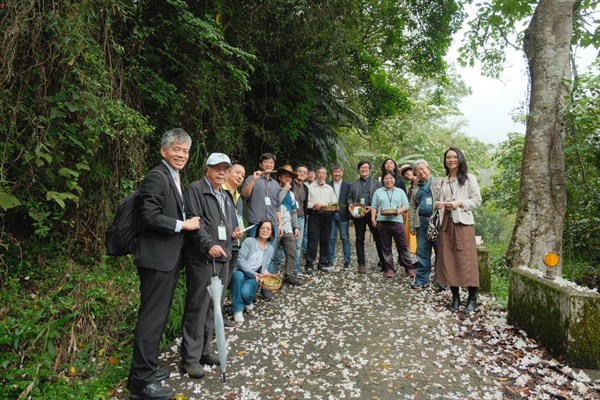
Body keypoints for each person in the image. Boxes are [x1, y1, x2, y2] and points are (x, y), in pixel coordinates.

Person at [127, 128, 201, 400]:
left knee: (156, 319)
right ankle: (141, 384)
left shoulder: (174, 176)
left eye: (185, 151)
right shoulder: (157, 177)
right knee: (151, 319)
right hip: (156, 259)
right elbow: (149, 216)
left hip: (166, 259)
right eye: (177, 150)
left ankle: (146, 370)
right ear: (164, 151)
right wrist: (184, 225)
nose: (181, 155)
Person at [182, 153, 243, 379]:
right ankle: (190, 358)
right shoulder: (196, 189)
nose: (221, 172)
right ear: (207, 168)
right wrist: (208, 245)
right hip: (202, 258)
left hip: (222, 257)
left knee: (213, 307)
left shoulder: (224, 196)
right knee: (197, 307)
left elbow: (222, 225)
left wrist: (231, 233)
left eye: (225, 169)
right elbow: (195, 223)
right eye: (217, 168)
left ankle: (205, 350)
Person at [435, 147, 482, 315]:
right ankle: (455, 297)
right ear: (445, 160)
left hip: (463, 223)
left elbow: (477, 200)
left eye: (455, 157)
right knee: (448, 260)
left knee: (467, 261)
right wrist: (440, 204)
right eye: (448, 157)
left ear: (460, 159)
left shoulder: (470, 179)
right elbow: (441, 200)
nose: (451, 160)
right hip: (446, 223)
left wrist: (459, 203)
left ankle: (472, 299)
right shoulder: (443, 181)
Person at [241, 153, 282, 301]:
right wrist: (254, 180)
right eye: (266, 162)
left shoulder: (276, 184)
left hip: (272, 224)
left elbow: (277, 205)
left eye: (271, 163)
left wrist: (280, 224)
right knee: (251, 256)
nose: (269, 165)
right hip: (256, 223)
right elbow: (244, 195)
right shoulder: (252, 179)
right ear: (260, 164)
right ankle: (249, 288)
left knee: (269, 257)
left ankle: (265, 287)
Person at [231, 220, 277, 324]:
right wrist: (253, 273)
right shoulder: (249, 241)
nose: (265, 230)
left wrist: (271, 276)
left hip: (253, 277)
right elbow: (240, 261)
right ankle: (238, 309)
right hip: (241, 272)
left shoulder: (270, 249)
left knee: (246, 294)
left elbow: (264, 269)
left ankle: (247, 300)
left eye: (268, 229)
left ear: (271, 232)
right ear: (258, 229)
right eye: (262, 228)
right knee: (238, 276)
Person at [370, 171, 412, 279]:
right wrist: (373, 219)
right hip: (383, 222)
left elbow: (406, 205)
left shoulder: (400, 191)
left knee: (403, 246)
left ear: (394, 180)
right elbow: (374, 206)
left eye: (391, 178)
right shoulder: (378, 192)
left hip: (397, 222)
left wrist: (398, 211)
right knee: (386, 246)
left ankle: (409, 267)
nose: (389, 180)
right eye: (386, 178)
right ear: (383, 180)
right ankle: (389, 268)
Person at [409, 159, 442, 289]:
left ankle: (440, 280)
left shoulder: (439, 182)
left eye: (423, 169)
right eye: (418, 171)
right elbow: (412, 206)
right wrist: (412, 225)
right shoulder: (416, 187)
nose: (421, 172)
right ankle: (422, 279)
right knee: (422, 252)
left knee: (441, 251)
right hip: (422, 221)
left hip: (437, 221)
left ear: (429, 168)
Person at [348, 161, 385, 274]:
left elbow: (381, 198)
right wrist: (350, 205)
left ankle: (383, 262)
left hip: (372, 213)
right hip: (358, 214)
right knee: (359, 239)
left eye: (366, 168)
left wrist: (374, 208)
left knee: (378, 238)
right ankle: (361, 264)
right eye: (362, 168)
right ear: (359, 170)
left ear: (369, 169)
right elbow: (349, 197)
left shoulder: (377, 184)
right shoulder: (353, 184)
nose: (364, 169)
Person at [222, 162, 246, 328]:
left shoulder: (237, 196)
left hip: (236, 243)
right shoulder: (220, 192)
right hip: (223, 244)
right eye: (237, 173)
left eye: (243, 175)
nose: (240, 177)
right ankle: (214, 319)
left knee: (226, 280)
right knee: (219, 282)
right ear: (228, 173)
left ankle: (219, 316)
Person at [305, 167, 337, 274]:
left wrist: (332, 207)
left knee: (325, 240)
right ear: (316, 174)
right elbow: (306, 203)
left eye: (323, 173)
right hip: (314, 215)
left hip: (327, 216)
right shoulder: (310, 187)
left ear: (326, 176)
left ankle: (322, 263)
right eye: (319, 173)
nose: (321, 175)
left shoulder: (329, 188)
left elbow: (334, 203)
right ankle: (309, 264)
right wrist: (313, 205)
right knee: (312, 240)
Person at [380, 158, 408, 272]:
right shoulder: (380, 179)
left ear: (394, 166)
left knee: (401, 242)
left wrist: (403, 212)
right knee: (385, 242)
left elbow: (404, 198)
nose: (389, 165)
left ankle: (403, 261)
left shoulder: (400, 180)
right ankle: (387, 264)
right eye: (387, 163)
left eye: (391, 163)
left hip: (398, 214)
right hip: (384, 215)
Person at [275, 165, 302, 285]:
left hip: (288, 228)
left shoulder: (291, 194)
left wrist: (296, 227)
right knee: (273, 254)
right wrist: (285, 189)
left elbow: (293, 211)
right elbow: (276, 202)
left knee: (292, 251)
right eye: (285, 175)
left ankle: (288, 275)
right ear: (279, 177)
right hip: (275, 226)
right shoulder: (273, 188)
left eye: (290, 176)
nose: (287, 178)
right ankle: (272, 276)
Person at [328, 164, 352, 269]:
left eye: (339, 171)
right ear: (332, 173)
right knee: (331, 238)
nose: (337, 173)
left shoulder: (348, 185)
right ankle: (330, 261)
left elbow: (350, 199)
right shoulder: (328, 185)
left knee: (345, 237)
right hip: (330, 215)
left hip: (343, 215)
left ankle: (347, 261)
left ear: (342, 173)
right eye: (335, 172)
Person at [292, 165, 309, 277]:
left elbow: (305, 205)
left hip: (301, 218)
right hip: (288, 218)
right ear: (295, 172)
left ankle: (295, 269)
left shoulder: (306, 188)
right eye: (300, 171)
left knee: (298, 245)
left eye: (304, 172)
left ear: (307, 175)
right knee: (282, 245)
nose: (302, 174)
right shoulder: (290, 185)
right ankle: (276, 269)